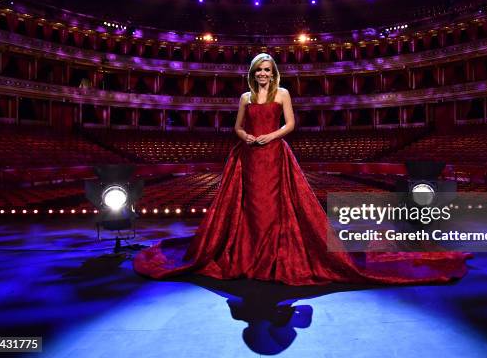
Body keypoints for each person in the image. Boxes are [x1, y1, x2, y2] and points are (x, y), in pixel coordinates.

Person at [134, 53, 468, 285]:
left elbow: (291, 124)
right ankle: (247, 254)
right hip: (248, 155)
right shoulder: (244, 97)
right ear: (252, 73)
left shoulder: (283, 92)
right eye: (259, 70)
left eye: (267, 69)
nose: (263, 74)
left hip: (275, 152)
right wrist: (247, 135)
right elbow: (235, 127)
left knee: (275, 206)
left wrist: (270, 136)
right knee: (248, 207)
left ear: (273, 72)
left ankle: (273, 255)